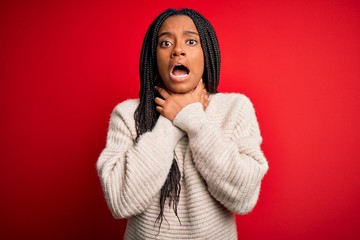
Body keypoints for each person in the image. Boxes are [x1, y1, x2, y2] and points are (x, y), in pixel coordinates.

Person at [97, 8, 268, 240]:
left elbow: (244, 197)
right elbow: (120, 201)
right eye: (165, 44)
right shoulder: (127, 114)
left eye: (190, 41)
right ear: (153, 57)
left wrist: (192, 118)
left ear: (206, 52)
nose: (178, 49)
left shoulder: (235, 108)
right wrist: (170, 120)